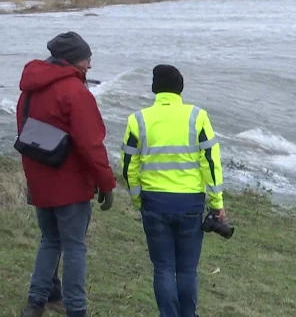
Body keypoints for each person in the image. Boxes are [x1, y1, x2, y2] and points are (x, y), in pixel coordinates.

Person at [17, 32, 117, 317]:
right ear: (74, 61)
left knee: (49, 240)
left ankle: (35, 303)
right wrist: (106, 184)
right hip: (69, 182)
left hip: (39, 178)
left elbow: (26, 131)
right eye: (87, 59)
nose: (90, 65)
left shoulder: (29, 88)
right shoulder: (75, 92)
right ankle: (76, 308)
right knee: (74, 247)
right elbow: (91, 144)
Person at [121, 64, 225, 317]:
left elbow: (129, 167)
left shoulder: (137, 119)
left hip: (154, 202)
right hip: (189, 203)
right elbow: (210, 163)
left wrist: (138, 199)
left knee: (164, 268)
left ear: (155, 89)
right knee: (187, 270)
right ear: (180, 89)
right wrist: (216, 203)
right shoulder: (197, 116)